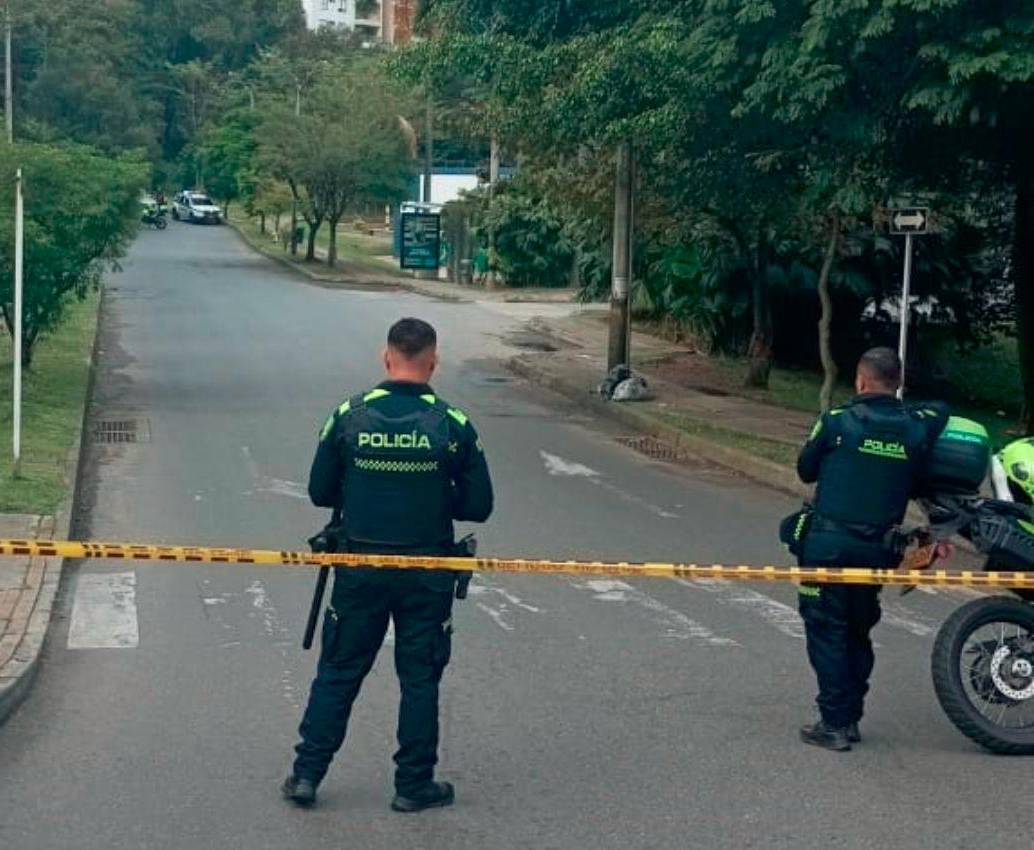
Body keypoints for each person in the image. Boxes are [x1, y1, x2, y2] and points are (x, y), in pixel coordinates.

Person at [282, 317, 494, 811]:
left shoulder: (348, 415)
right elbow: (479, 506)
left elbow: (320, 492)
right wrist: (434, 496)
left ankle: (307, 775)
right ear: (433, 362)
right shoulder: (453, 424)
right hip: (428, 572)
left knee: (339, 670)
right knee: (419, 678)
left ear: (386, 357)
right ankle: (413, 786)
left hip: (359, 566)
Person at [794, 347, 945, 751]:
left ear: (860, 381)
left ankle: (834, 723)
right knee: (857, 629)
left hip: (828, 548)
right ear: (899, 383)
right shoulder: (916, 429)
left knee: (827, 630)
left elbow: (805, 469)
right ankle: (850, 718)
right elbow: (940, 412)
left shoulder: (836, 421)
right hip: (877, 551)